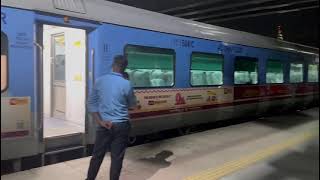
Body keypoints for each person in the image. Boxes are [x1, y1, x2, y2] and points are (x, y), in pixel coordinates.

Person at [86, 55, 137, 180]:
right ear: (124, 68)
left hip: (105, 125)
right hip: (121, 125)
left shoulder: (100, 80)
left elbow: (91, 104)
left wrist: (100, 121)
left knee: (97, 155)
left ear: (113, 65)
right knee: (117, 158)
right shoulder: (127, 84)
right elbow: (132, 106)